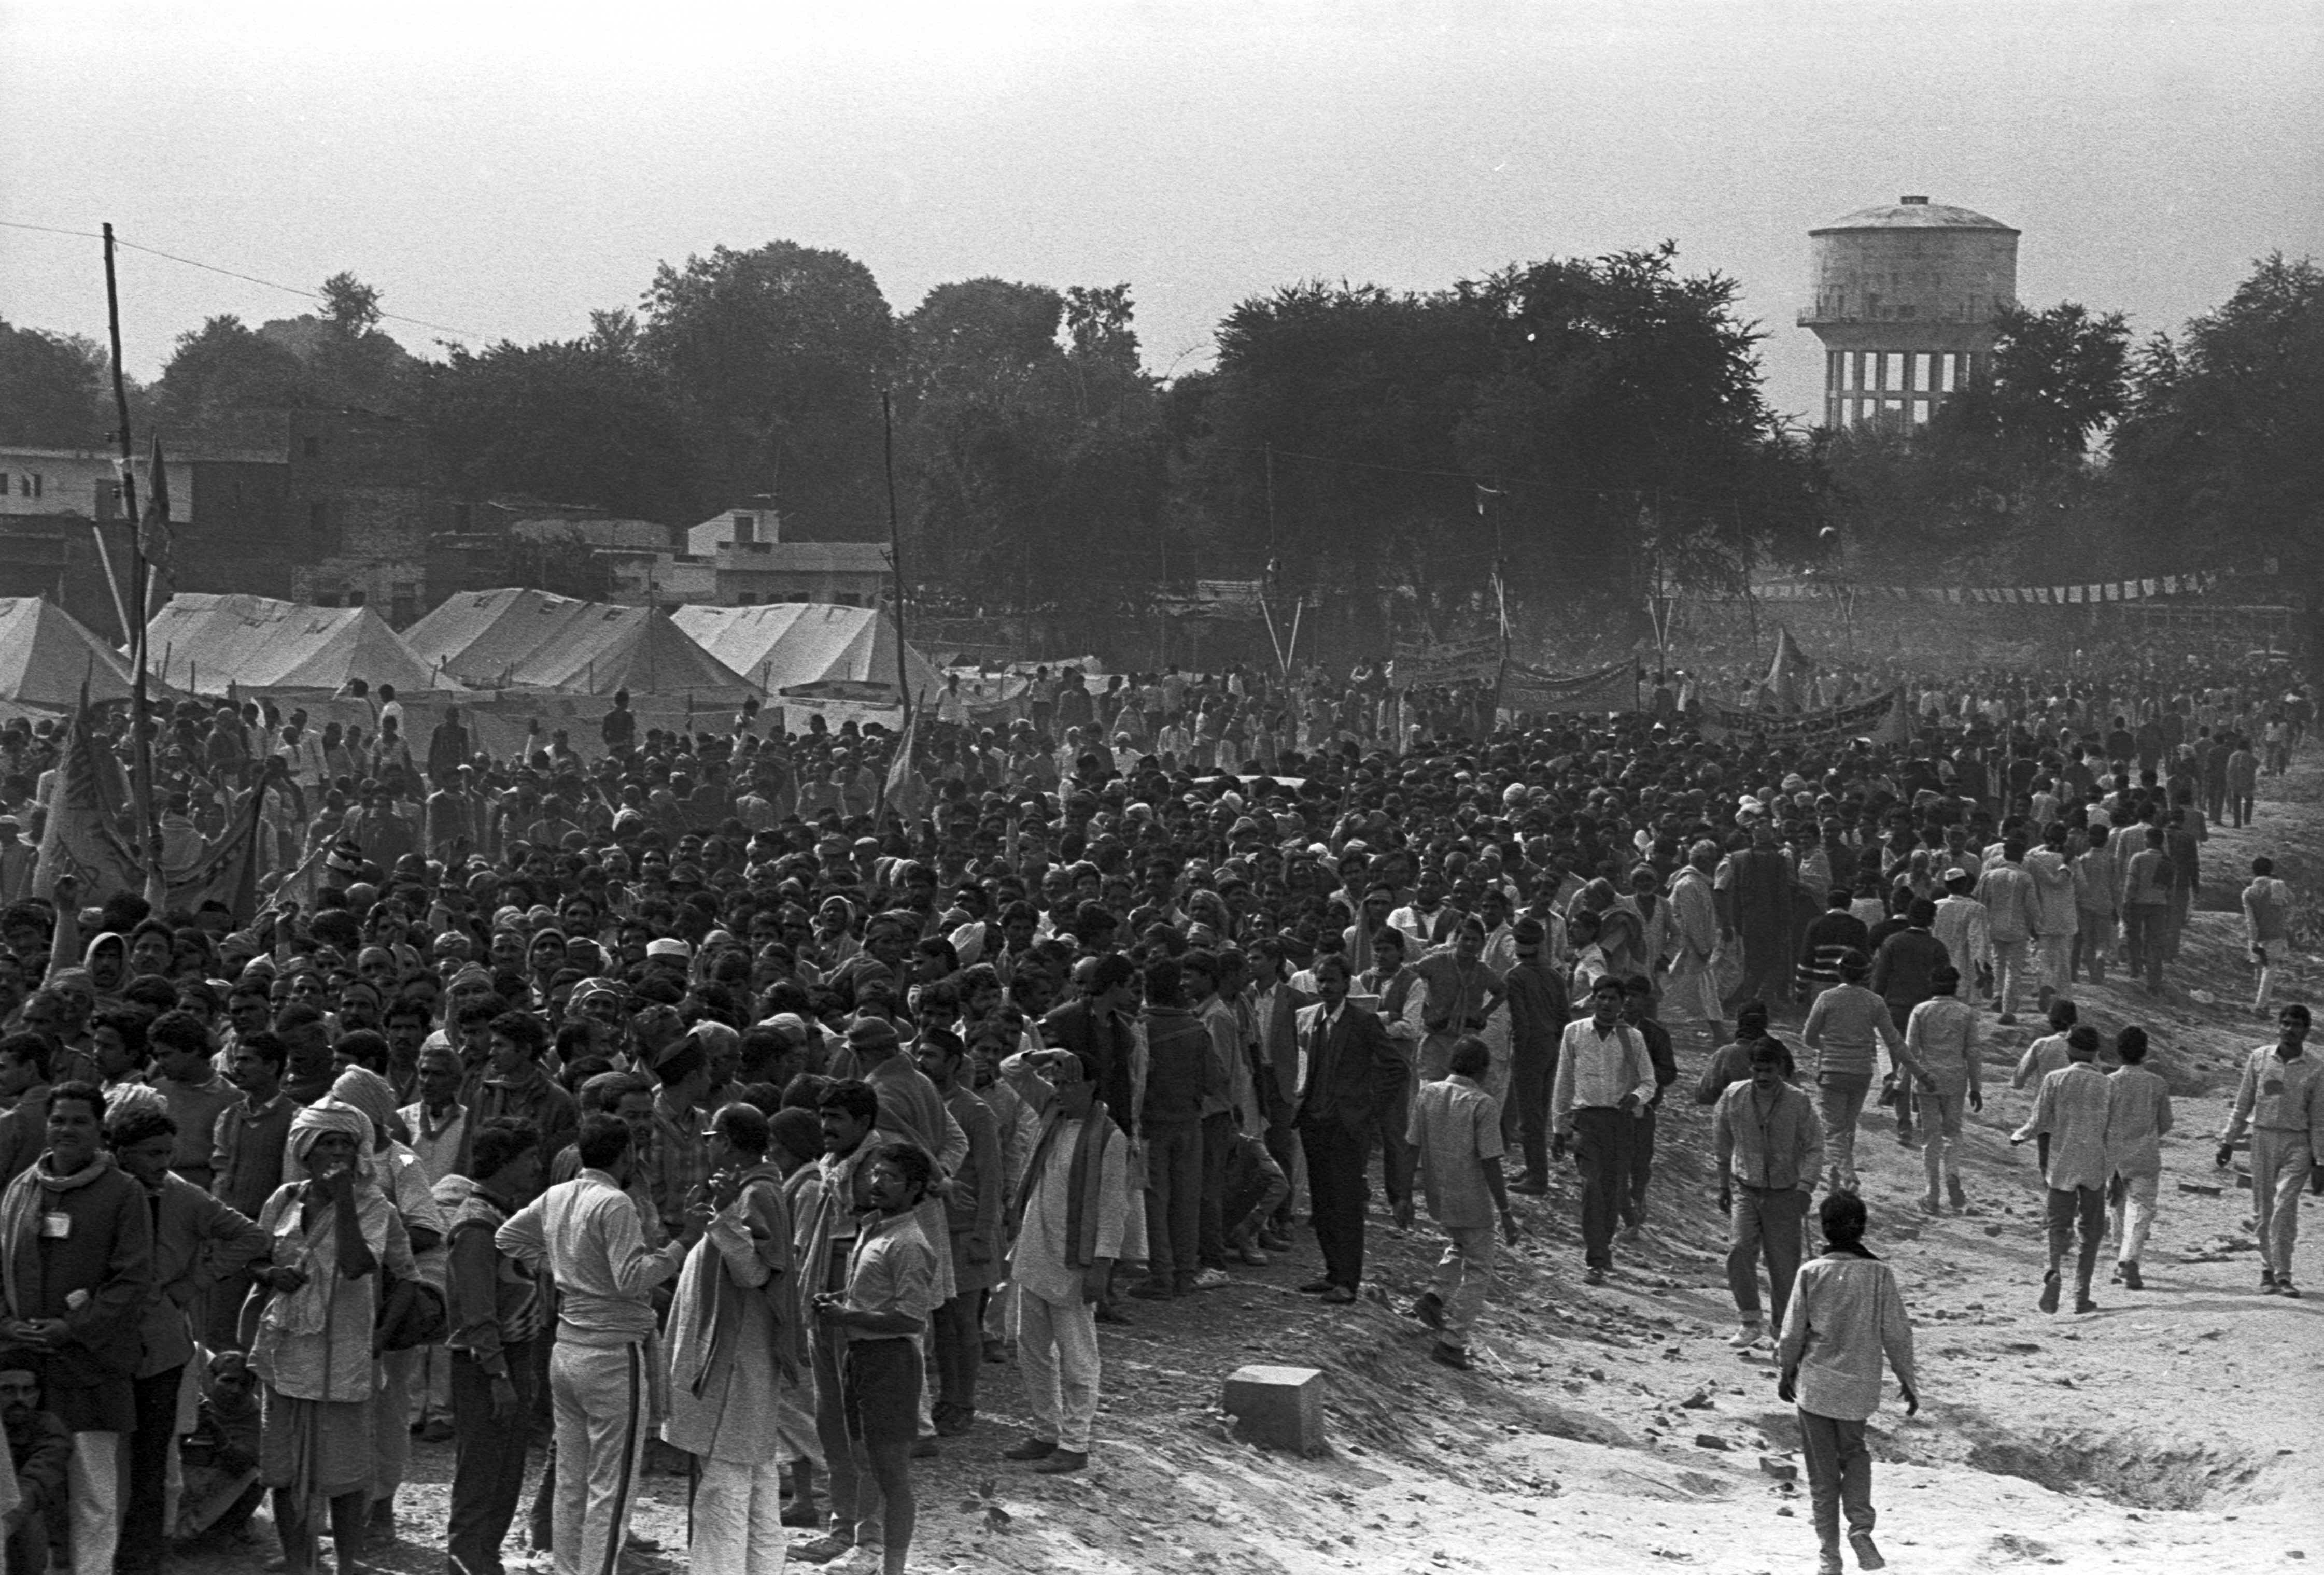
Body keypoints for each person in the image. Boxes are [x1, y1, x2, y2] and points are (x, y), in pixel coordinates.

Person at [496, 1113, 693, 1575]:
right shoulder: (614, 1201)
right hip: (611, 1353)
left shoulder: (558, 1195)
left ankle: (569, 1570)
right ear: (626, 1154)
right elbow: (632, 1279)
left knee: (573, 1479)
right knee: (612, 1484)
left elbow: (508, 1237)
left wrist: (561, 1268)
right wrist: (683, 1243)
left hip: (568, 1347)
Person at [106, 1102, 268, 1575]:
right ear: (121, 1152)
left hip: (162, 1342)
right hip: (105, 1339)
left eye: (167, 1153)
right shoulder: (104, 1191)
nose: (162, 1163)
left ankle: (151, 1551)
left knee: (159, 1457)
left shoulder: (183, 1196)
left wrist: (194, 1281)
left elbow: (252, 1237)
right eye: (151, 1153)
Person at [251, 1100, 413, 1575]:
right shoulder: (283, 1200)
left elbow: (359, 1265)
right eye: (328, 1143)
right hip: (286, 1350)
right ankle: (299, 1562)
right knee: (284, 1466)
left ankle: (345, 1562)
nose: (338, 1152)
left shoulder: (373, 1205)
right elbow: (256, 1256)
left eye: (346, 1143)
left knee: (344, 1472)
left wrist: (344, 1200)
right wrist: (271, 1274)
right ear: (307, 1150)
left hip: (343, 1353)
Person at [0, 1080, 154, 1575]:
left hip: (92, 1363)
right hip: (25, 1367)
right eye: (59, 1120)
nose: (67, 1129)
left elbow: (132, 1280)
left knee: (94, 1489)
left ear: (100, 1128)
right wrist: (9, 1325)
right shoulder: (23, 1188)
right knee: (19, 1488)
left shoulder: (123, 1192)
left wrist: (70, 1328)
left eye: (79, 1121)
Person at [664, 1101, 799, 1573]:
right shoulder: (748, 1188)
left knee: (724, 1486)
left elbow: (755, 1272)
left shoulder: (757, 1192)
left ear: (725, 1141)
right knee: (755, 1482)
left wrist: (722, 1217)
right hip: (740, 1353)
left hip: (737, 1356)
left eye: (711, 1138)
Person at [996, 1048, 1128, 1474]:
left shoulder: (1109, 1137)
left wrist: (1102, 1264)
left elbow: (1112, 1207)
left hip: (1075, 1257)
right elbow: (1011, 1069)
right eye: (1057, 1082)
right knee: (1030, 1348)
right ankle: (1045, 1431)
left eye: (1069, 1082)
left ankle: (1075, 1441)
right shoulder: (1051, 1112)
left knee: (1077, 1355)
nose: (1061, 1090)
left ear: (1091, 1085)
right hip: (1034, 1247)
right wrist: (1050, 1054)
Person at [811, 1142, 939, 1575]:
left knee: (892, 1474)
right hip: (861, 1357)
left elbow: (911, 1318)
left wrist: (847, 1315)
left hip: (890, 1361)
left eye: (891, 1177)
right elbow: (875, 1292)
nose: (878, 1182)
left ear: (915, 1188)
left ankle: (893, 1566)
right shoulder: (874, 1229)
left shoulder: (908, 1242)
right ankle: (866, 1549)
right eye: (875, 1174)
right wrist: (841, 1299)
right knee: (864, 1459)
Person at [1777, 1191, 1919, 1575]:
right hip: (1858, 1386)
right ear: (1863, 1227)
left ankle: (1829, 1558)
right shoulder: (1879, 1274)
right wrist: (1907, 1379)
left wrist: (1785, 1372)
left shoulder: (1810, 1272)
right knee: (1855, 1454)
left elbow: (1791, 1334)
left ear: (1824, 1229)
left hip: (1815, 1386)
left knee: (1822, 1477)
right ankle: (1860, 1527)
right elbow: (1897, 1333)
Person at [442, 1118, 547, 1575]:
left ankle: (485, 1558)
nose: (537, 1166)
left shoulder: (503, 1215)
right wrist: (498, 1374)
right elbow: (477, 1311)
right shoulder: (477, 1225)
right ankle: (467, 1561)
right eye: (528, 1157)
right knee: (482, 1472)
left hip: (512, 1356)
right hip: (485, 1363)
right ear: (503, 1162)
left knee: (505, 1472)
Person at [1291, 956, 1407, 1302]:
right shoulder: (1312, 1019)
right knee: (1323, 1202)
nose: (1325, 986)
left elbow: (1396, 1068)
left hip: (1347, 1126)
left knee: (1347, 1204)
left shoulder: (1362, 1022)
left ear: (1346, 984)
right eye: (1320, 980)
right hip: (1315, 1121)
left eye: (1331, 980)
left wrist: (1367, 1108)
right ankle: (1332, 1273)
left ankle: (1348, 1281)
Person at [1403, 1036, 1520, 1370]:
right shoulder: (1483, 1104)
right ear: (1483, 1071)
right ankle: (1452, 1341)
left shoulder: (1428, 1094)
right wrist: (1506, 1212)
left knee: (1459, 1244)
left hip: (1439, 1193)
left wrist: (1404, 1194)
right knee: (1480, 1269)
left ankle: (1434, 1296)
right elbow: (1490, 1161)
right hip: (1471, 1197)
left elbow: (1411, 1145)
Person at [1713, 1040, 1823, 1352]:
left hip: (1785, 1193)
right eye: (1757, 1070)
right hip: (1745, 1188)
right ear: (1750, 1068)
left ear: (1781, 1070)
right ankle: (1750, 1321)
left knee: (1784, 1265)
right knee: (1739, 1250)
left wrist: (1805, 1187)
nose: (1762, 1077)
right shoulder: (1733, 1095)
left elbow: (1815, 1146)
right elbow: (1722, 1141)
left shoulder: (1798, 1101)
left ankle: (1781, 1330)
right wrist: (1723, 1185)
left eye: (1769, 1071)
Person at [1550, 976, 1657, 1285]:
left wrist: (1636, 1097)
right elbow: (1563, 1082)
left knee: (1613, 1189)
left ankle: (1604, 1247)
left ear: (1622, 1003)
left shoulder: (1632, 1038)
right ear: (1593, 999)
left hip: (1620, 1123)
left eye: (1613, 999)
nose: (1607, 1004)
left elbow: (1649, 1082)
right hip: (1586, 1122)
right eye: (1602, 997)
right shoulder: (1574, 1033)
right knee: (1591, 1186)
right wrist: (1559, 1128)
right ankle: (1595, 1258)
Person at [2216, 1003, 2323, 1297]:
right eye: (2285, 1023)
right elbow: (2243, 1104)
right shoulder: (2260, 1058)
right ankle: (2268, 1270)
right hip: (2262, 1139)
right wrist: (2228, 1141)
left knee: (2284, 1206)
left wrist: (2320, 1161)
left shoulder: (2316, 1068)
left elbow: (2319, 1119)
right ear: (2278, 1026)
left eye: (2297, 1025)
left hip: (2298, 1143)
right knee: (2263, 1209)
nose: (2290, 1030)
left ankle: (2284, 1274)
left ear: (2307, 1030)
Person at [2011, 1028, 2115, 1315]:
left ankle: (2053, 1271)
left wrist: (2019, 1136)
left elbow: (2039, 1121)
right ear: (2096, 1053)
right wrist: (2113, 1171)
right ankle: (2082, 1294)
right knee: (2091, 1231)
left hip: (2061, 1164)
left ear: (2068, 1051)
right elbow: (2112, 1132)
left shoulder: (2054, 1079)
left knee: (2056, 1225)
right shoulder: (2107, 1085)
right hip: (2094, 1165)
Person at [1800, 950, 1900, 1195]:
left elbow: (1808, 1037)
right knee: (1848, 1126)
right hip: (1861, 1072)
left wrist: (1827, 1047)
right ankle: (1839, 1180)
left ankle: (1847, 1176)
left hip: (1832, 1071)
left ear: (1840, 972)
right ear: (1866, 975)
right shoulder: (1875, 1002)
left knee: (1834, 1130)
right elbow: (1892, 1039)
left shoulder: (1826, 998)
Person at [1899, 966, 1982, 1214]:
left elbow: (1910, 1050)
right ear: (1956, 987)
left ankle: (1932, 1194)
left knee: (1930, 1137)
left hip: (1928, 1080)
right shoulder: (1966, 1013)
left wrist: (1901, 1082)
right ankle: (1952, 1174)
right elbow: (1973, 1052)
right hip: (1956, 1079)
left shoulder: (1921, 1011)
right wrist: (1976, 1087)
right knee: (1953, 1131)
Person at [2105, 1027, 2172, 1292]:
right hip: (2145, 1153)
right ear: (2145, 1052)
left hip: (2114, 1154)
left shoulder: (2109, 1082)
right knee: (2142, 1209)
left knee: (2118, 1206)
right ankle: (2129, 1259)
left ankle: (2121, 1258)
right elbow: (2166, 1122)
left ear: (2118, 1051)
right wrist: (2148, 1136)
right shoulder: (2157, 1084)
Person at [0, 1363, 71, 1575]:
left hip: (23, 1516)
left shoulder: (48, 1426)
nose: (19, 1399)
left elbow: (39, 1479)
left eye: (28, 1390)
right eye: (7, 1390)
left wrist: (6, 1523)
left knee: (29, 1520)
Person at [2243, 857, 2293, 1016]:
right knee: (2270, 970)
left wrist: (2253, 940)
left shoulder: (2248, 893)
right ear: (2270, 870)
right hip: (2276, 934)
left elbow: (2250, 920)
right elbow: (2291, 902)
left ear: (2254, 871)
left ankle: (2259, 1003)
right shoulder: (2277, 886)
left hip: (2258, 935)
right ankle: (2261, 1006)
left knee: (2260, 968)